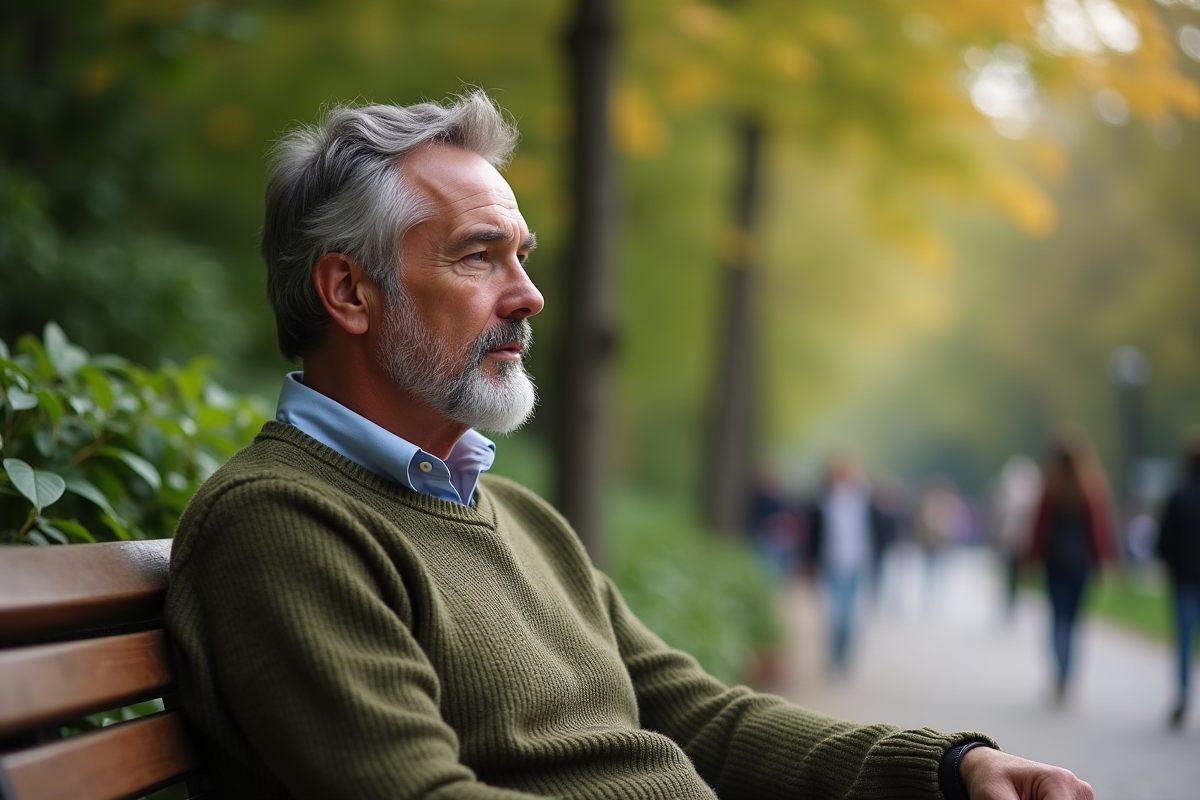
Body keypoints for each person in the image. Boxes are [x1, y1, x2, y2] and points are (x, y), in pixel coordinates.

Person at [164, 91, 1093, 800]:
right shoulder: (281, 524)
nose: (528, 295)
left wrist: (950, 767)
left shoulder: (514, 514)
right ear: (350, 293)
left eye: (522, 255)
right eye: (479, 255)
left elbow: (695, 715)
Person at [1026, 434, 1118, 703]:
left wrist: (1033, 558)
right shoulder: (1091, 487)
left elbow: (1040, 529)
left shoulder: (1050, 488)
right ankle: (1069, 675)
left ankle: (1061, 673)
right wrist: (1103, 561)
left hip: (1055, 564)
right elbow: (1099, 530)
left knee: (1058, 621)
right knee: (1075, 623)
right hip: (1081, 565)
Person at [806, 453, 882, 674]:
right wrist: (809, 562)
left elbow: (877, 531)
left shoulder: (866, 500)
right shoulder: (823, 499)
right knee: (835, 616)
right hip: (831, 563)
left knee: (850, 617)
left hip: (857, 563)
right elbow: (813, 534)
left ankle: (844, 660)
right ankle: (833, 658)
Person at [1155, 435, 1200, 729]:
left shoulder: (1179, 496)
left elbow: (1164, 541)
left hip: (1184, 577)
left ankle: (1184, 694)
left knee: (1184, 640)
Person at [988, 455, 1042, 622]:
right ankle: (1011, 603)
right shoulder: (1031, 493)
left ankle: (1010, 604)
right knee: (1013, 575)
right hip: (1017, 541)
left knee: (1011, 575)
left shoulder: (1008, 492)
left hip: (1012, 541)